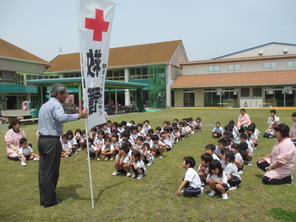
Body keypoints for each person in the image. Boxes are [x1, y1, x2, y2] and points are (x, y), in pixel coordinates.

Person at [37, 83, 87, 207]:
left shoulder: (44, 105)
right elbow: (61, 117)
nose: (66, 96)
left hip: (42, 140)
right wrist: (79, 115)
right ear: (58, 94)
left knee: (43, 171)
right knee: (52, 171)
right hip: (51, 141)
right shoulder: (56, 104)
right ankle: (50, 200)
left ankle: (44, 198)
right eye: (65, 93)